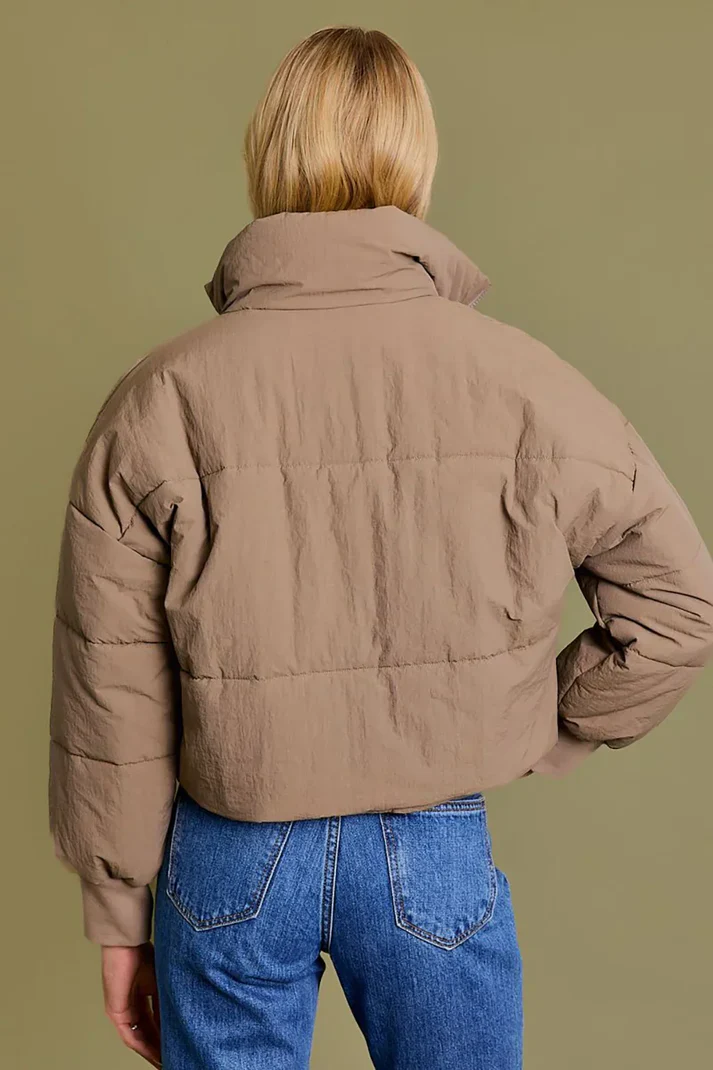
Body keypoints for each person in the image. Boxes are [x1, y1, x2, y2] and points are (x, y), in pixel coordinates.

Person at [48, 25, 713, 1070]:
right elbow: (678, 606)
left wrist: (119, 910)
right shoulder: (526, 382)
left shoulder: (161, 394)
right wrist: (540, 726)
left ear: (265, 156)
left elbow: (111, 683)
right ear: (417, 163)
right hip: (430, 844)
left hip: (227, 849)